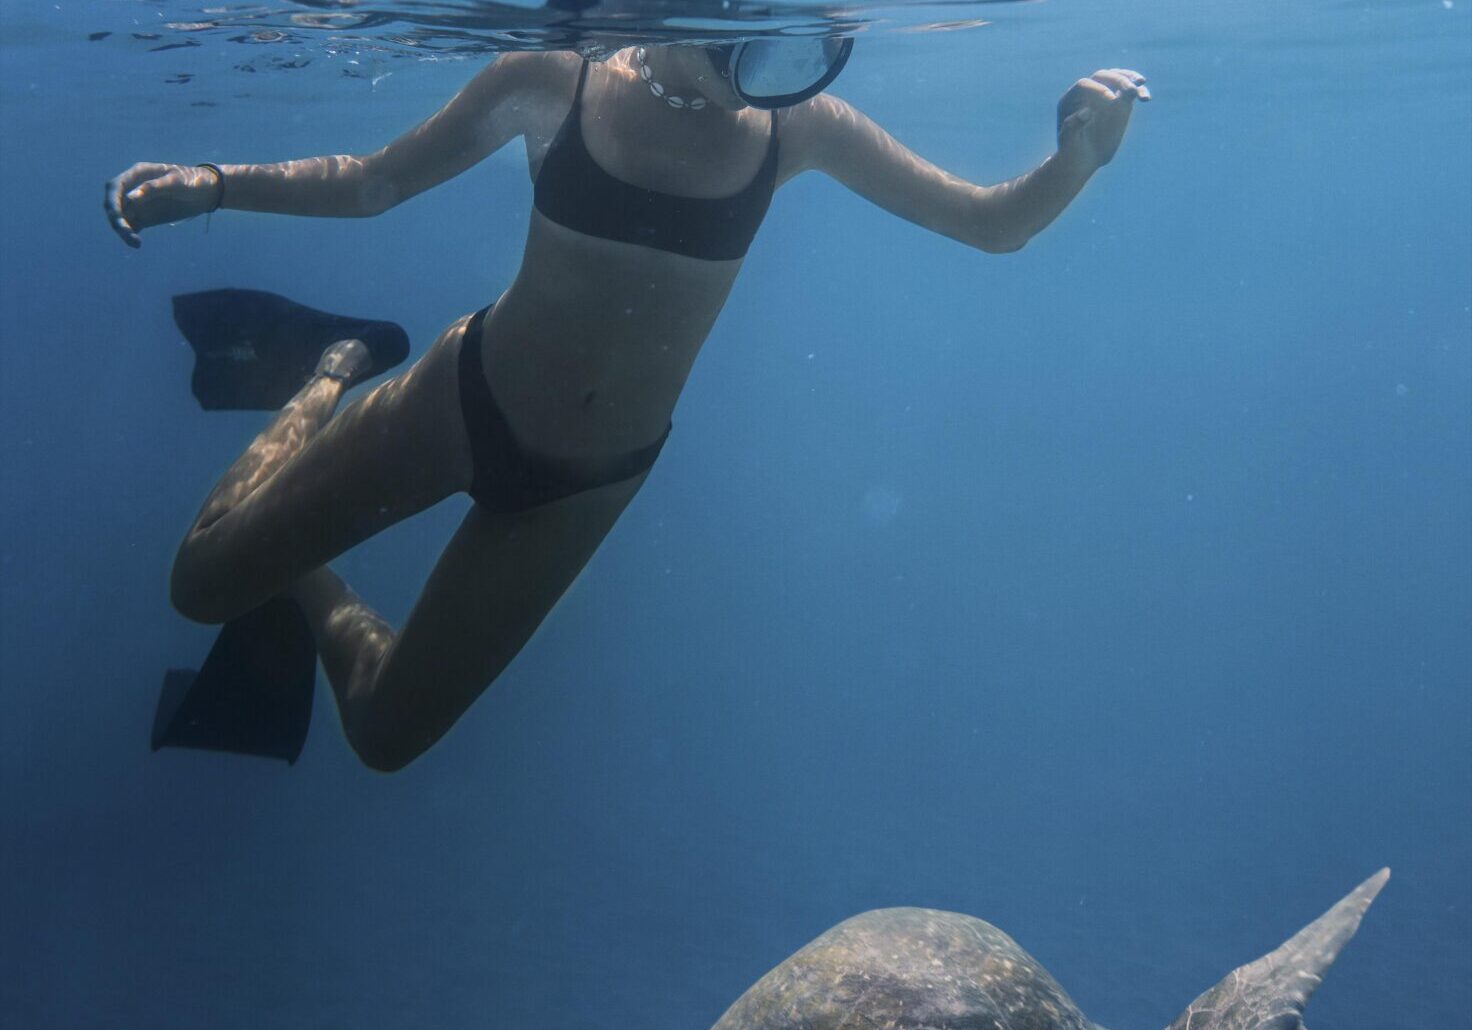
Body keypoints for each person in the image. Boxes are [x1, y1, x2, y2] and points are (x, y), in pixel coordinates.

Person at [105, 39, 1148, 772]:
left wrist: (1075, 159)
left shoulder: (800, 131)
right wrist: (214, 181)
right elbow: (373, 182)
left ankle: (308, 579)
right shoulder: (552, 82)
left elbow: (989, 226)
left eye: (805, 44)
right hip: (456, 403)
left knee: (382, 737)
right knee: (200, 582)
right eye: (757, 36)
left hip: (587, 486)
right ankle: (324, 372)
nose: (773, 73)